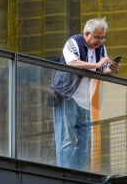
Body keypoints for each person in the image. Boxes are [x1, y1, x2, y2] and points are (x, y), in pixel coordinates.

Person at [51, 17, 119, 169]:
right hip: (67, 95)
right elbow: (73, 62)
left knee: (86, 141)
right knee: (66, 139)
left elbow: (101, 70)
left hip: (86, 101)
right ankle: (64, 172)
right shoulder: (73, 42)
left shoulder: (101, 49)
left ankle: (75, 172)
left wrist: (110, 70)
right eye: (97, 37)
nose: (100, 41)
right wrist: (97, 64)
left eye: (103, 37)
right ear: (87, 34)